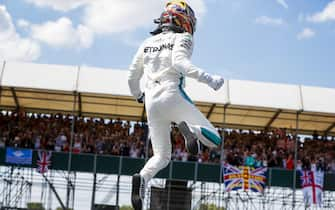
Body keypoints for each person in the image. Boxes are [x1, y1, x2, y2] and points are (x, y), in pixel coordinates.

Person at [128, 1, 224, 209]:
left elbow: (132, 77)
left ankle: (142, 177)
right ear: (184, 19)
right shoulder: (183, 37)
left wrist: (139, 96)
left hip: (151, 103)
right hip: (172, 93)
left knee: (161, 156)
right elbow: (180, 63)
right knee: (215, 139)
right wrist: (210, 79)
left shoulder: (146, 43)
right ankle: (192, 130)